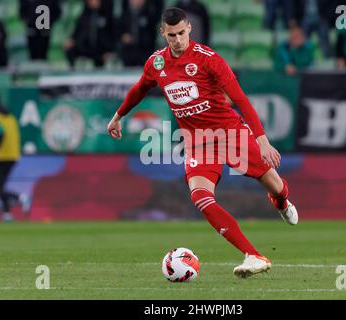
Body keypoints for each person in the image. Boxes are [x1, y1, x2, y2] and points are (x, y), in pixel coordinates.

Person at [107, 8, 298, 278]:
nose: (177, 40)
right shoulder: (156, 63)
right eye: (171, 35)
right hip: (198, 142)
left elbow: (241, 99)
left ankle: (281, 202)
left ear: (189, 30)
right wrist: (118, 116)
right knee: (200, 197)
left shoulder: (209, 59)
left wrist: (262, 141)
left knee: (276, 187)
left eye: (182, 33)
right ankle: (254, 255)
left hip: (230, 133)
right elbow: (140, 88)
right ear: (163, 33)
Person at [0, 94, 30, 221]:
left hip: (1, 156)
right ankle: (7, 214)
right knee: (1, 187)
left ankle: (21, 198)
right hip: (13, 155)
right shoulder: (10, 116)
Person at [64, 0, 114, 68]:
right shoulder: (84, 16)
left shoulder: (107, 16)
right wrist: (71, 39)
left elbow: (114, 35)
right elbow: (76, 31)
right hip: (85, 48)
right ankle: (73, 72)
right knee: (69, 48)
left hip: (101, 50)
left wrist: (110, 50)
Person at [116, 0, 157, 67]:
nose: (137, 1)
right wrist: (124, 37)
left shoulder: (149, 15)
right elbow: (118, 32)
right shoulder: (124, 15)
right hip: (127, 53)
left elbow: (153, 34)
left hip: (145, 53)